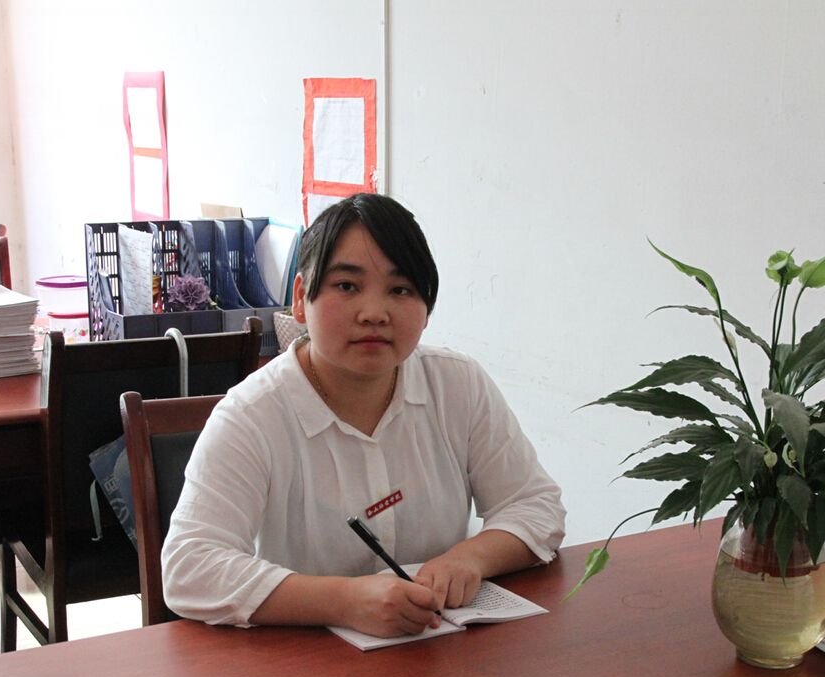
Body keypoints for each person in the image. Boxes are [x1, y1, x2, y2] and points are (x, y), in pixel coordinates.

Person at [162, 193, 565, 637]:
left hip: (439, 650)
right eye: (347, 286)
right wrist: (344, 601)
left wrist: (468, 559)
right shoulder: (251, 415)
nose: (374, 314)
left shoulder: (457, 384)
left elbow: (535, 505)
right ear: (301, 298)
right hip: (301, 659)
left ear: (427, 309)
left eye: (400, 290)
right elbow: (189, 566)